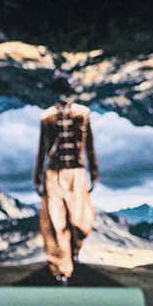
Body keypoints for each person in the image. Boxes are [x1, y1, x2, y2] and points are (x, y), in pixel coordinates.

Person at [34, 73, 97, 284]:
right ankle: (61, 268)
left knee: (80, 220)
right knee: (55, 221)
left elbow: (89, 145)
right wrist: (38, 176)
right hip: (54, 173)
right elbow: (42, 149)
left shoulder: (82, 114)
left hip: (77, 173)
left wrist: (94, 172)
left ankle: (74, 250)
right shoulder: (47, 117)